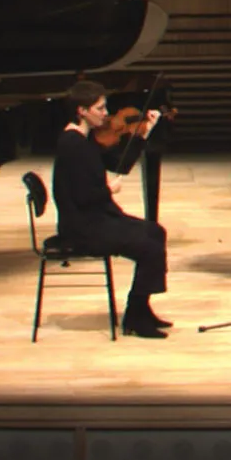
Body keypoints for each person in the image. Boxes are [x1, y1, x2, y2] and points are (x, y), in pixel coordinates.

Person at [54, 80, 172, 338]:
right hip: (84, 227)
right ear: (81, 111)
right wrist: (109, 190)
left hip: (96, 217)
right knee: (149, 245)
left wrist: (144, 133)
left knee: (155, 232)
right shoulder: (72, 145)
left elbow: (119, 164)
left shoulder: (82, 140)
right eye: (100, 108)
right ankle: (136, 316)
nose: (106, 113)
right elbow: (84, 196)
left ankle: (140, 309)